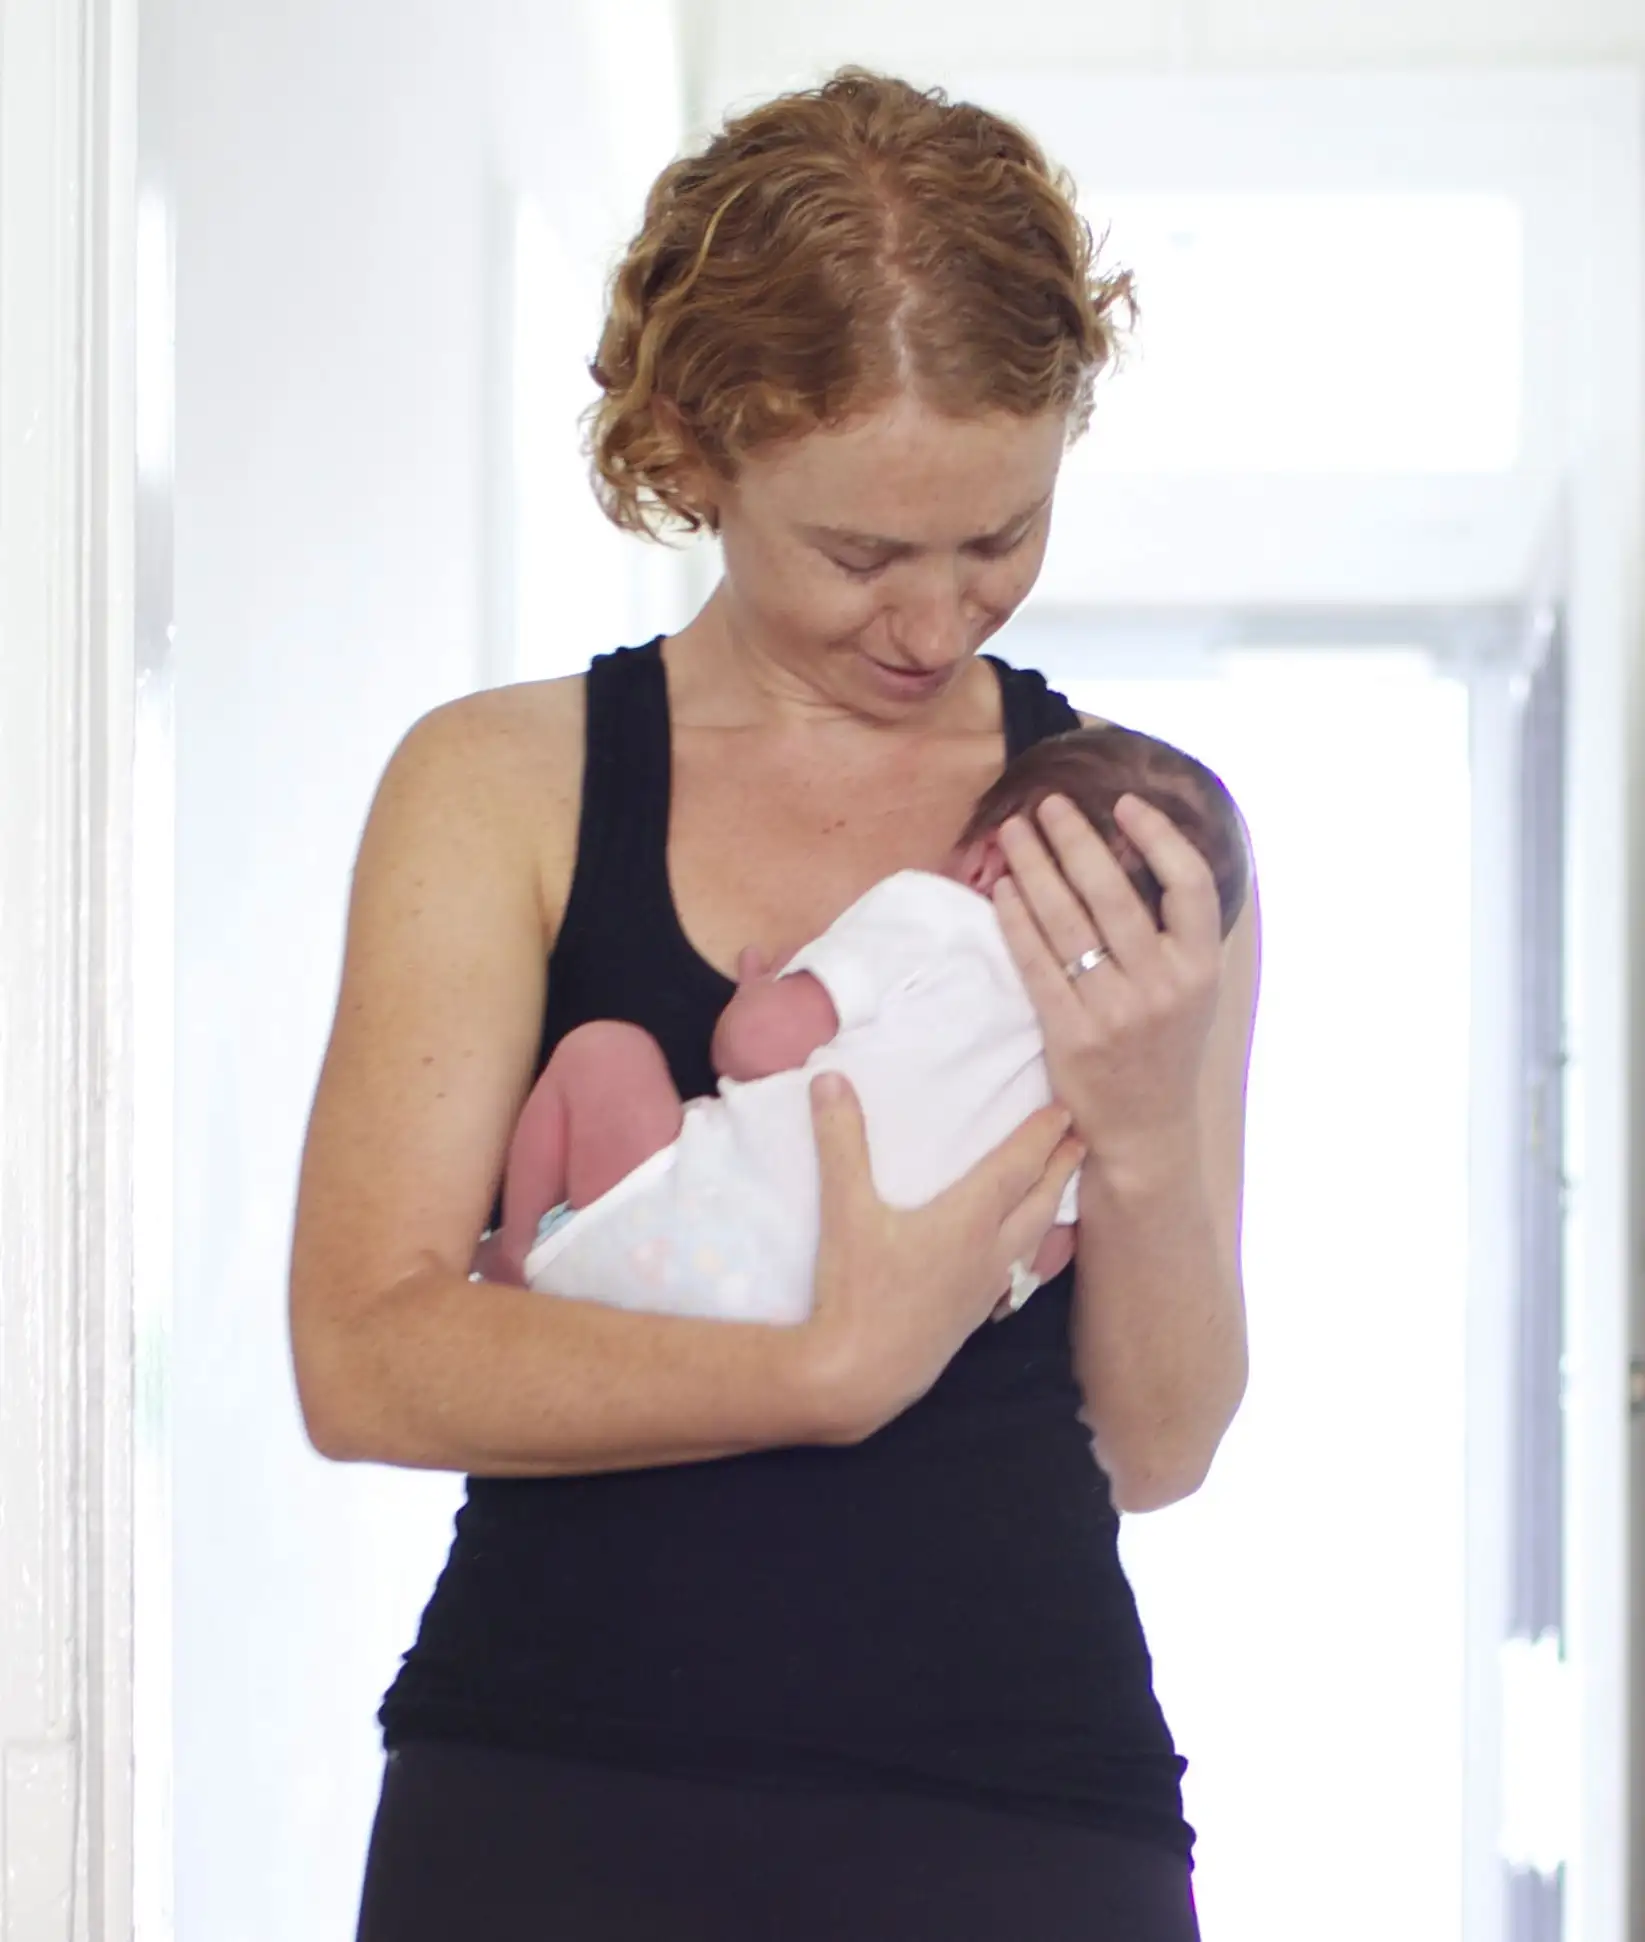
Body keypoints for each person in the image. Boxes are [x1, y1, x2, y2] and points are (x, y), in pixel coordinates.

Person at [288, 66, 1260, 1942]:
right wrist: (824, 1369)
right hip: (562, 1783)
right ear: (692, 448)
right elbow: (368, 1355)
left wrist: (1140, 1129)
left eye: (1001, 534)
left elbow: (1160, 1445)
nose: (936, 620)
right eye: (862, 553)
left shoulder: (1131, 832)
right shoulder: (502, 787)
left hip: (1022, 1801)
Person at [473, 725, 1251, 1338]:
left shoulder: (936, 915)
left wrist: (760, 991)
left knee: (603, 1052)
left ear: (984, 863)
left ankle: (514, 1253)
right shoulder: (1096, 1073)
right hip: (837, 1318)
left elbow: (752, 1048)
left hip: (677, 1251)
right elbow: (1036, 1258)